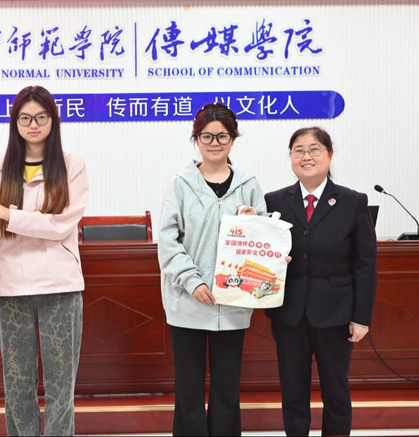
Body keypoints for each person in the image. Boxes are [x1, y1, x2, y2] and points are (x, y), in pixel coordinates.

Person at [0, 85, 89, 436]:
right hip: (11, 287)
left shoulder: (72, 166)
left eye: (41, 117)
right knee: (17, 383)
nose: (33, 125)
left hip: (60, 287)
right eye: (25, 118)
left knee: (61, 384)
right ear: (14, 122)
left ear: (53, 121)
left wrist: (10, 215)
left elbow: (61, 225)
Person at [157, 102, 266, 436]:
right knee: (189, 387)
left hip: (232, 302)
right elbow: (168, 241)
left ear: (233, 138)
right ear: (196, 138)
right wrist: (192, 282)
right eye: (207, 136)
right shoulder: (181, 184)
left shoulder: (248, 184)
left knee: (227, 387)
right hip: (188, 302)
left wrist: (256, 224)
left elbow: (266, 239)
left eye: (222, 136)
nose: (215, 143)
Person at [264, 127, 377, 436]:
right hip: (289, 313)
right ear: (290, 157)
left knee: (336, 390)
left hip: (336, 313)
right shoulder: (274, 201)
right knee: (293, 390)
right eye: (298, 150)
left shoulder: (353, 201)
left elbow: (365, 265)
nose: (306, 157)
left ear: (329, 154)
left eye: (314, 149)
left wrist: (361, 317)